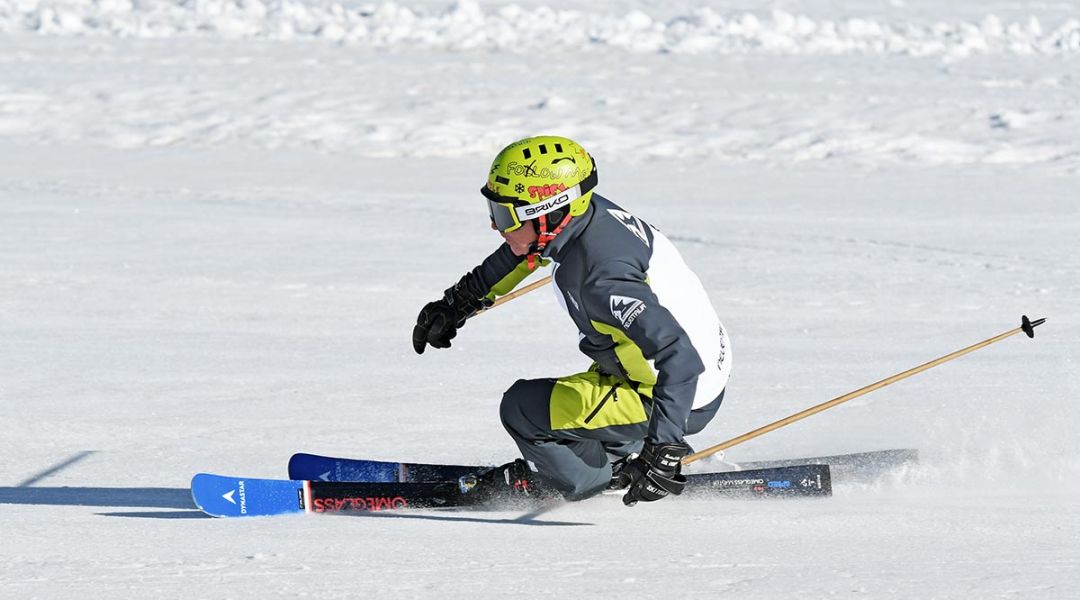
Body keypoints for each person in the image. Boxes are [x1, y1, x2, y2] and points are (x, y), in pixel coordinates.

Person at [412, 136, 732, 506]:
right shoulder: (587, 217)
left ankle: (589, 478)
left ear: (550, 213)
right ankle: (617, 445)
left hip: (675, 394)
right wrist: (458, 302)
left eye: (504, 217)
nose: (496, 227)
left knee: (522, 408)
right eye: (494, 211)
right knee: (599, 364)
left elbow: (679, 355)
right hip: (679, 376)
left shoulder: (601, 280)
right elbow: (525, 252)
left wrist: (664, 450)